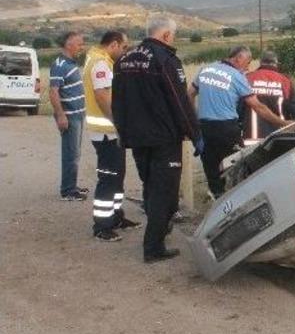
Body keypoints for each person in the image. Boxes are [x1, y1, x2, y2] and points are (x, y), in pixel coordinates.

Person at [112, 16, 201, 263]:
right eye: (173, 35)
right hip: (163, 137)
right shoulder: (165, 59)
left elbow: (117, 101)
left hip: (137, 138)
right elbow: (179, 100)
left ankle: (159, 231)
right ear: (165, 35)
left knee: (151, 184)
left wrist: (123, 133)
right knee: (165, 191)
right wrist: (195, 134)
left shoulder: (124, 60)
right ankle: (153, 247)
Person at [189, 46, 290, 198]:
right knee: (236, 167)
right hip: (227, 129)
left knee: (211, 169)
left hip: (204, 128)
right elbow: (258, 107)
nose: (248, 67)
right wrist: (283, 123)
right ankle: (235, 203)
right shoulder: (237, 77)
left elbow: (189, 95)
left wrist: (194, 118)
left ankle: (217, 199)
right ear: (238, 58)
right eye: (247, 62)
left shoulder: (205, 69)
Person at [83, 30, 139, 242]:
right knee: (108, 178)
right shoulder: (101, 64)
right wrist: (117, 121)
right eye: (124, 47)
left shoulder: (96, 57)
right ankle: (102, 225)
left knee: (117, 176)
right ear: (114, 44)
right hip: (107, 132)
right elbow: (102, 95)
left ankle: (116, 216)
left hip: (108, 132)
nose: (125, 52)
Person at [49, 31, 88, 201]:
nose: (81, 47)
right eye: (79, 44)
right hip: (70, 115)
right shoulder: (59, 65)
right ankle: (68, 191)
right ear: (68, 44)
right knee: (70, 153)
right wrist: (61, 115)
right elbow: (53, 92)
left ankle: (71, 185)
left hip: (77, 114)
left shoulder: (70, 63)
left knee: (75, 153)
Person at [243, 51, 295, 144]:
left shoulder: (246, 79)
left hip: (250, 139)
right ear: (276, 63)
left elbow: (237, 107)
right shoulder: (285, 81)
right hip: (277, 139)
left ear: (260, 62)